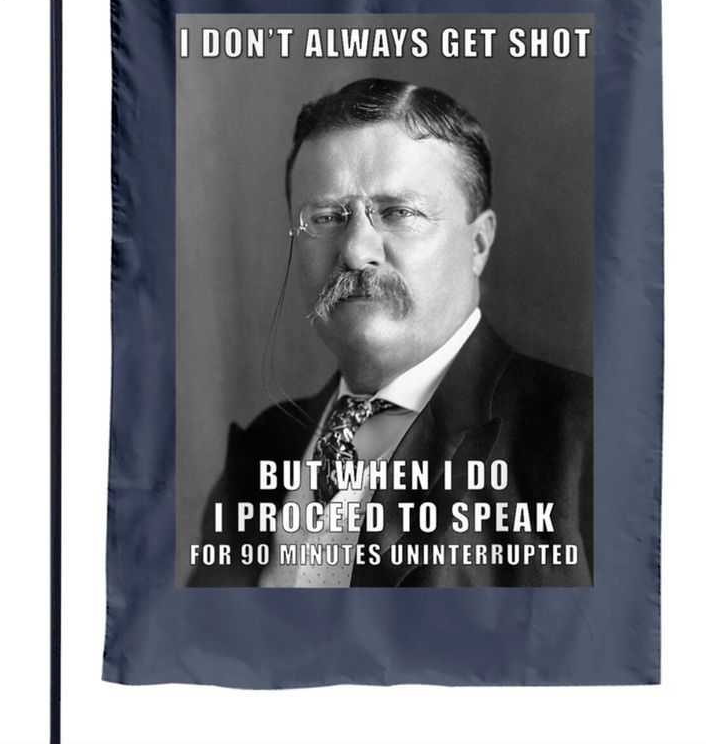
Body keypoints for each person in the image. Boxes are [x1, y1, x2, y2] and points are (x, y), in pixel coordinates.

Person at [188, 78, 591, 588]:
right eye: (326, 217)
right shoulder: (263, 450)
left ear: (479, 243)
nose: (357, 251)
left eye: (398, 212)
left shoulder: (584, 441)